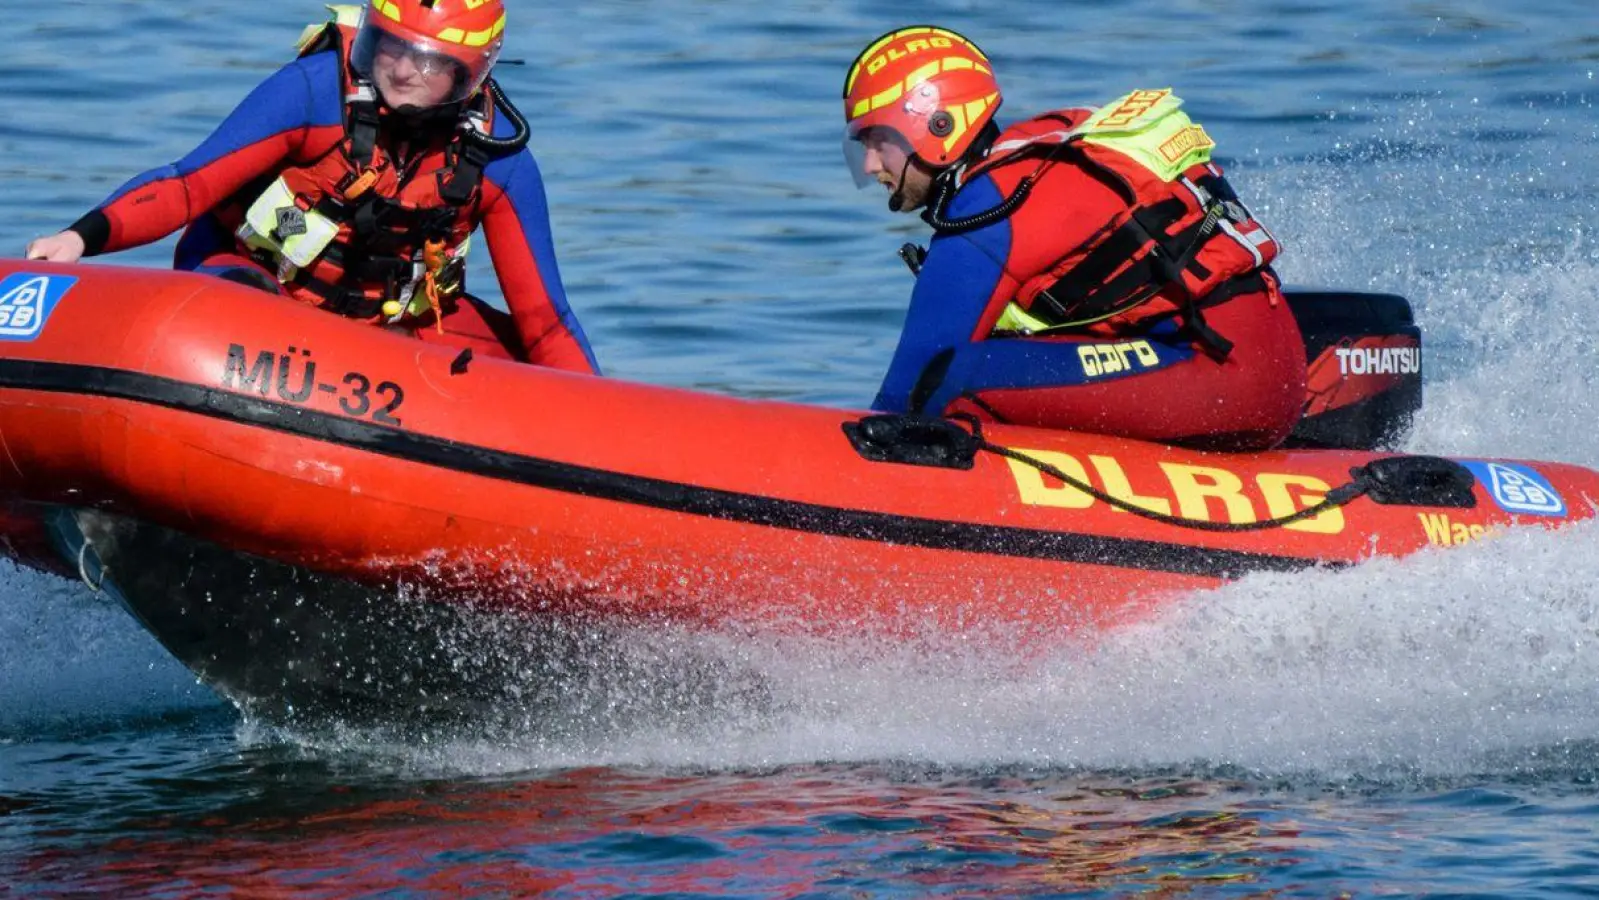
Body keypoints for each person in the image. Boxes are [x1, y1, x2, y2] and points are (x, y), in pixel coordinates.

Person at [26, 0, 598, 373]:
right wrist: (78, 240)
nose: (400, 72)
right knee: (243, 313)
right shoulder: (315, 91)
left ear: (470, 75)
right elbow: (185, 186)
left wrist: (605, 423)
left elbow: (546, 321)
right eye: (390, 48)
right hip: (248, 279)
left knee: (528, 364)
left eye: (426, 63)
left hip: (387, 327)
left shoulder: (499, 160)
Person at [842, 27, 1304, 450]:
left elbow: (910, 387)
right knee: (995, 362)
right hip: (1262, 367)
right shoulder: (1041, 150)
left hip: (1226, 380)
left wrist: (843, 464)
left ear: (936, 126)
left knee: (951, 376)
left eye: (877, 140)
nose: (868, 165)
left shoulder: (988, 206)